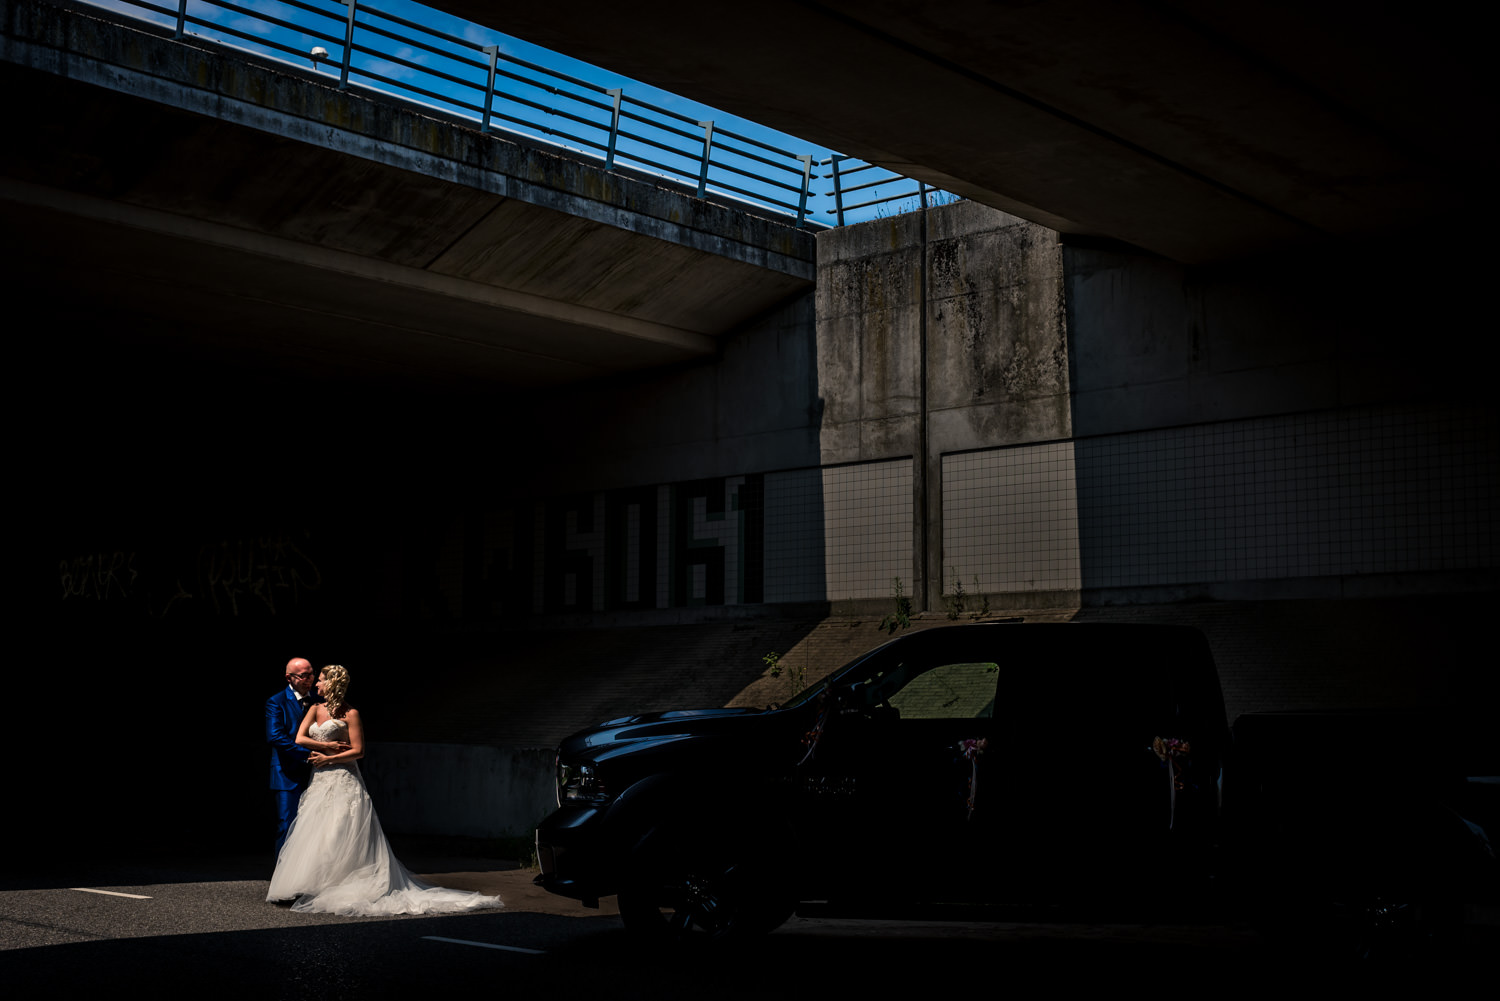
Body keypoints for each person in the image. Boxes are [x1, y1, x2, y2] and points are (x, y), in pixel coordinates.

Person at [266, 664, 503, 915]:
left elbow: (359, 751)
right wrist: (326, 746)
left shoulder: (351, 713)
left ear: (333, 684)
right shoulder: (315, 708)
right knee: (316, 829)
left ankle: (340, 883)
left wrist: (330, 758)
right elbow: (299, 739)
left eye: (321, 679)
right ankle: (315, 882)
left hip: (343, 775)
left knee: (341, 828)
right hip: (320, 778)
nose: (316, 683)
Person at [266, 657, 345, 852]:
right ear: (289, 678)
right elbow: (276, 737)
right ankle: (282, 878)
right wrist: (310, 753)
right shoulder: (276, 702)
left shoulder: (319, 700)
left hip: (321, 772)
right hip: (287, 774)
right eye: (304, 676)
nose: (310, 679)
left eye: (311, 674)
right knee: (287, 824)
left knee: (317, 827)